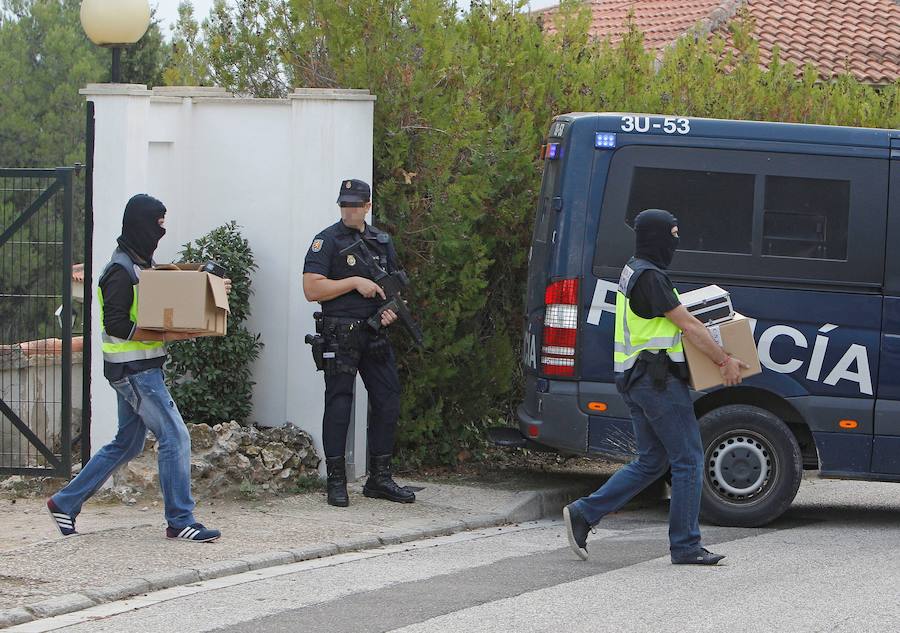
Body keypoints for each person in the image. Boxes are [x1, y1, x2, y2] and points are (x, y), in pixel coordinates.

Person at [563, 208, 749, 565]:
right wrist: (724, 361)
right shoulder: (650, 278)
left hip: (636, 378)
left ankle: (584, 513)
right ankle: (686, 546)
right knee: (689, 459)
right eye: (673, 234)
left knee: (652, 461)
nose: (675, 242)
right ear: (657, 237)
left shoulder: (634, 270)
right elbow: (690, 327)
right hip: (656, 381)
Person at [47, 194, 225, 542]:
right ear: (140, 224)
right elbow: (115, 324)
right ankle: (180, 520)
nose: (162, 229)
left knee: (127, 444)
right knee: (175, 436)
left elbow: (159, 310)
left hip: (140, 367)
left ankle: (64, 502)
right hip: (134, 372)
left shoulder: (141, 265)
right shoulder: (120, 270)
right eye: (157, 223)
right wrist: (171, 331)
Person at [302, 178, 415, 507]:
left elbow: (393, 287)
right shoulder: (327, 240)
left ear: (367, 206)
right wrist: (354, 282)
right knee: (339, 404)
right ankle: (336, 481)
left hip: (375, 333)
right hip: (341, 332)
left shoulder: (381, 241)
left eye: (355, 205)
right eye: (344, 205)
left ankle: (380, 477)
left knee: (388, 400)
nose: (349, 210)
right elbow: (312, 289)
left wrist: (390, 312)